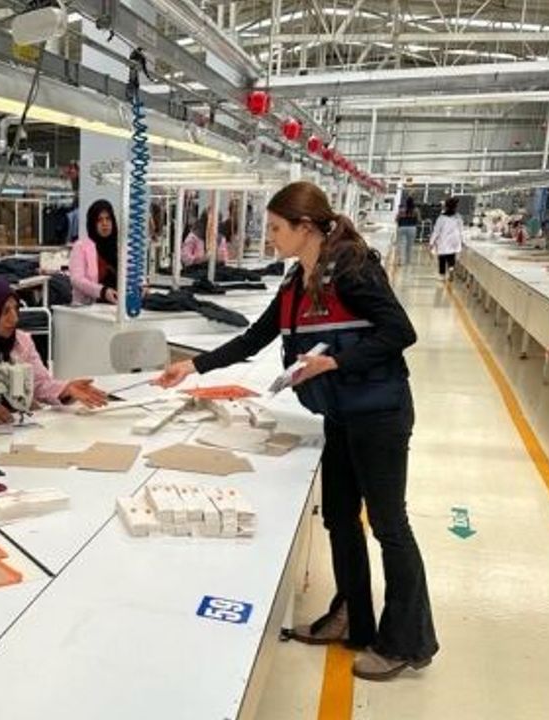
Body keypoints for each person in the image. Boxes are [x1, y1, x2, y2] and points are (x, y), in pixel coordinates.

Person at [154, 181, 437, 682]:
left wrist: (336, 362)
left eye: (277, 228)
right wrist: (192, 366)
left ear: (305, 227)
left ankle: (407, 642)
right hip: (341, 415)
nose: (271, 237)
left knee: (390, 525)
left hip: (379, 413)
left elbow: (400, 332)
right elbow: (253, 339)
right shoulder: (295, 283)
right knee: (340, 517)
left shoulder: (352, 271)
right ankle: (353, 616)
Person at [0, 276, 107, 423]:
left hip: (15, 430)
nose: (15, 319)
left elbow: (40, 384)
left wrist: (66, 389)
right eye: (5, 312)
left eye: (16, 309)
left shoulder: (21, 342)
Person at [69, 200, 121, 305]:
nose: (105, 223)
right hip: (89, 308)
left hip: (120, 306)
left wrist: (140, 286)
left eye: (108, 219)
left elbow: (132, 272)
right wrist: (102, 292)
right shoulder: (81, 247)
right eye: (99, 220)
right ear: (92, 223)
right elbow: (77, 279)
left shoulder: (121, 248)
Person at [429, 197, 464, 281]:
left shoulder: (441, 218)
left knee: (442, 257)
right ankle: (451, 268)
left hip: (444, 239)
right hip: (455, 239)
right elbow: (461, 229)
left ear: (446, 207)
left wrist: (431, 242)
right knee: (451, 255)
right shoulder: (458, 217)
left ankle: (442, 274)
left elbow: (436, 231)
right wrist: (462, 240)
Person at [395, 196, 419, 266]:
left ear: (406, 203)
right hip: (412, 228)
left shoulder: (402, 210)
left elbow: (397, 219)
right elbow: (418, 219)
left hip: (402, 227)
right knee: (409, 245)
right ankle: (408, 261)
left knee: (401, 244)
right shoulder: (416, 210)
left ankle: (401, 261)